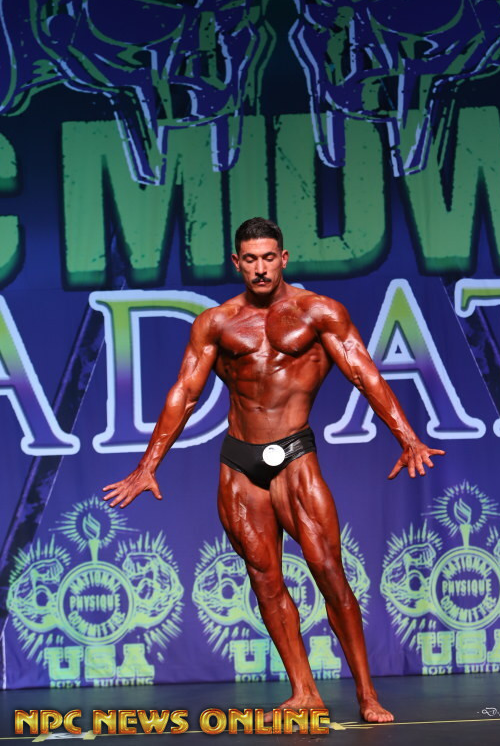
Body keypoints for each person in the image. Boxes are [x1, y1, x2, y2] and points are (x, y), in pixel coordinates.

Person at [103, 217, 444, 723]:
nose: (260, 268)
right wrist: (147, 466)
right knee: (264, 578)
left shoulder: (319, 312)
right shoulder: (217, 322)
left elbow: (364, 372)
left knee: (329, 571)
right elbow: (185, 393)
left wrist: (407, 437)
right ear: (236, 263)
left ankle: (368, 695)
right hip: (239, 462)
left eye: (268, 257)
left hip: (294, 455)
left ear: (283, 259)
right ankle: (304, 692)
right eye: (250, 259)